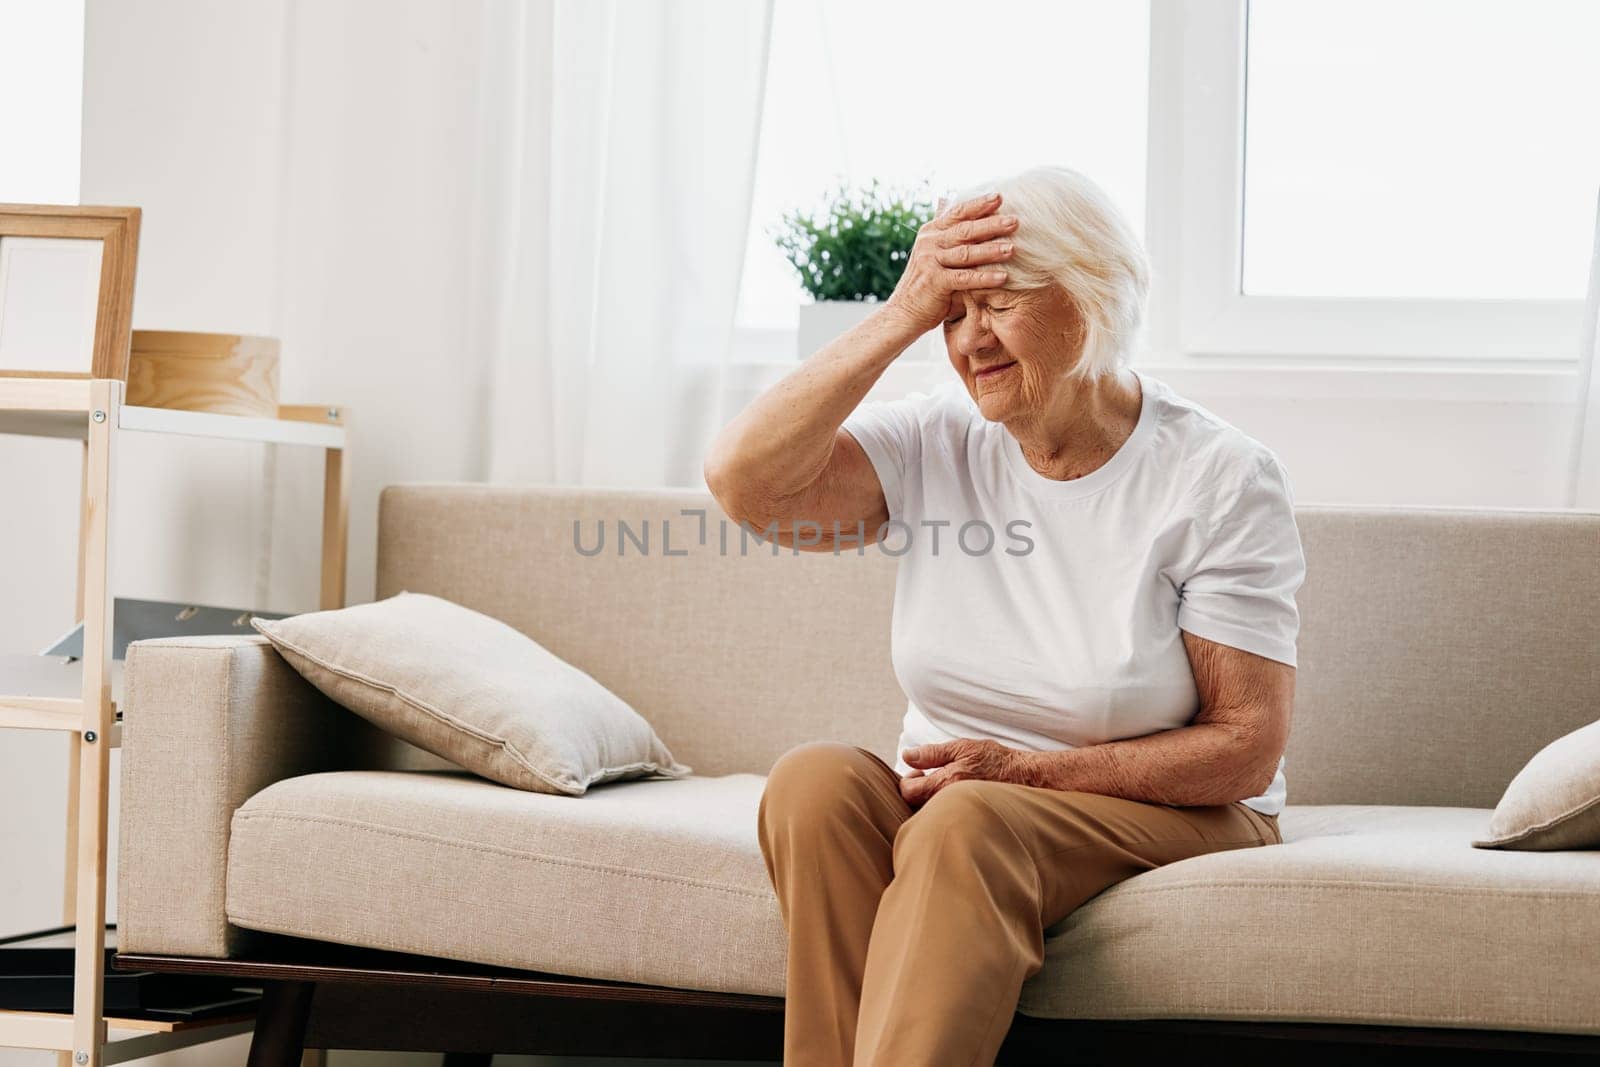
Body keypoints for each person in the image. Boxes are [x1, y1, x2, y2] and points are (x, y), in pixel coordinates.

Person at [702, 164, 1306, 1067]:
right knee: (814, 784)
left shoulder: (1216, 476)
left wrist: (1026, 771)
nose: (969, 340)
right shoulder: (939, 438)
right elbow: (743, 482)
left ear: (1092, 295)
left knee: (968, 820)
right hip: (968, 801)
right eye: (954, 314)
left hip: (1175, 805)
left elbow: (1245, 745)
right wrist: (907, 307)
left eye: (1000, 303)